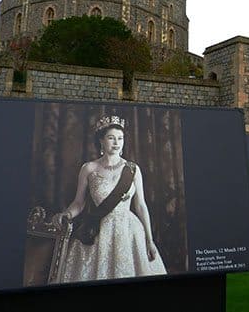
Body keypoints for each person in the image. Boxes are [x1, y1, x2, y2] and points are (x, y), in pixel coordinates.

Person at [52, 115, 166, 282]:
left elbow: (141, 206)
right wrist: (67, 214)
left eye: (120, 138)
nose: (116, 143)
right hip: (98, 231)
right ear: (101, 141)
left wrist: (150, 240)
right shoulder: (89, 168)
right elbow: (79, 202)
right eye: (111, 138)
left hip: (129, 232)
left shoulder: (133, 169)